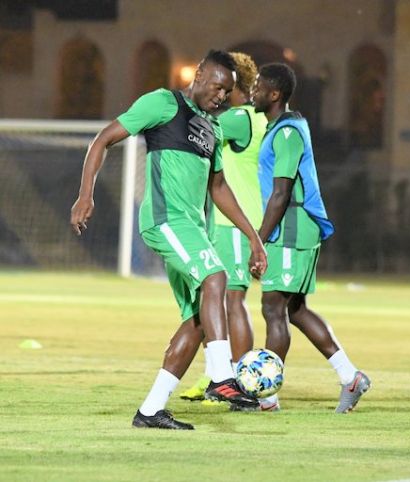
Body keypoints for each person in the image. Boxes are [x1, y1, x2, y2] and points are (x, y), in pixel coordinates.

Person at [70, 50, 267, 430]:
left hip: (194, 229)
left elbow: (220, 187)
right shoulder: (163, 103)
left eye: (228, 92)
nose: (222, 96)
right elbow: (103, 140)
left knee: (197, 321)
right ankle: (222, 376)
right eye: (218, 87)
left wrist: (254, 238)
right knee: (216, 277)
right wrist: (85, 194)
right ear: (199, 75)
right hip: (165, 222)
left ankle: (150, 410)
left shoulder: (213, 127)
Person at [252, 63, 370, 413]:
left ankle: (268, 398)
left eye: (258, 87)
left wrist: (258, 241)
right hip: (292, 227)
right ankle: (350, 377)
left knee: (273, 307)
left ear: (274, 94)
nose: (253, 91)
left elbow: (281, 193)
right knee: (295, 309)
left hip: (290, 228)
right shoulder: (282, 127)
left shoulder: (287, 133)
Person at [180, 52, 268, 402]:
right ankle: (217, 375)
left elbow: (196, 126)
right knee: (218, 298)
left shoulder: (237, 119)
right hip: (237, 218)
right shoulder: (255, 119)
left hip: (231, 221)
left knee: (232, 299)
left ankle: (240, 383)